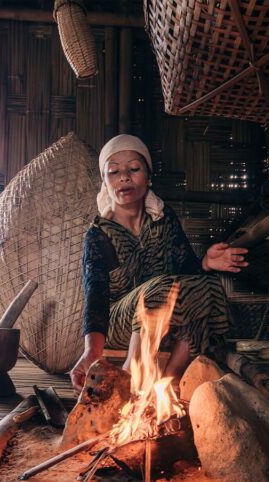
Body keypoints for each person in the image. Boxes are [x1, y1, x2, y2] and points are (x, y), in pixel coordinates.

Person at [69, 134, 249, 395]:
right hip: (119, 322)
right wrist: (91, 352)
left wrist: (206, 263)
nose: (124, 177)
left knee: (208, 285)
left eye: (134, 168)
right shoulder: (99, 235)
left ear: (148, 176)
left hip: (167, 318)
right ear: (105, 183)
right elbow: (95, 295)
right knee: (162, 287)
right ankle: (132, 371)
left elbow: (186, 273)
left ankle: (171, 380)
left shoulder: (164, 220)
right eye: (114, 172)